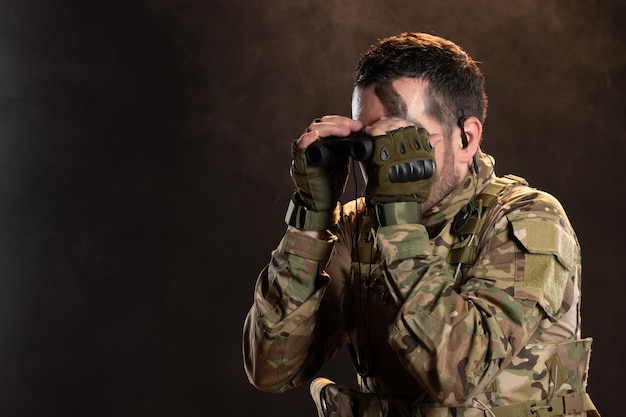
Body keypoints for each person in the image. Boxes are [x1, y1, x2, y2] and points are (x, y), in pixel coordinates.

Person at [242, 32, 600, 417]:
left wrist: (398, 222)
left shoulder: (530, 221)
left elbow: (456, 375)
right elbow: (273, 369)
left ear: (467, 138)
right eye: (369, 140)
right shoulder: (358, 226)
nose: (379, 161)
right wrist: (311, 222)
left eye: (403, 140)